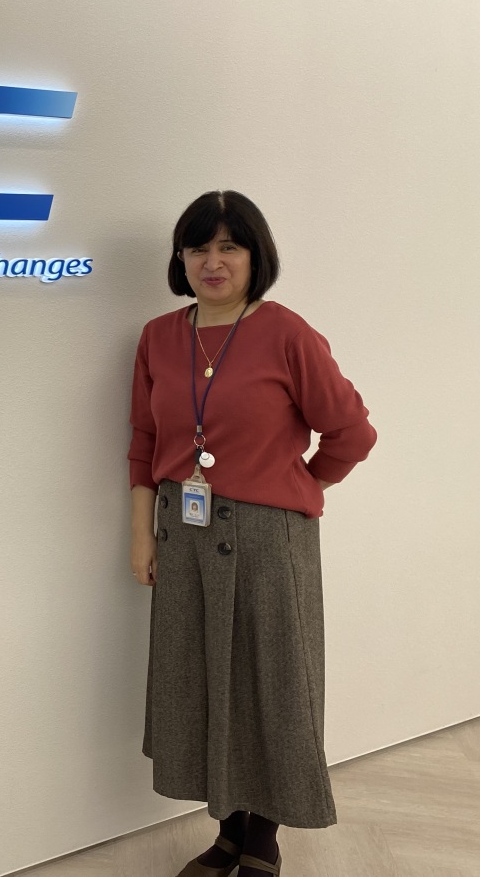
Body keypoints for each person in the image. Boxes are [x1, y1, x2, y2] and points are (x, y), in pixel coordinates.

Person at [127, 191, 375, 877]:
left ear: (255, 255)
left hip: (270, 540)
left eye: (229, 247)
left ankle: (262, 840)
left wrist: (299, 487)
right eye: (198, 248)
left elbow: (352, 433)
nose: (213, 261)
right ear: (180, 258)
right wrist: (142, 536)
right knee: (200, 682)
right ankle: (228, 834)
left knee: (272, 686)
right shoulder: (158, 336)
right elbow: (144, 441)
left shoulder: (286, 332)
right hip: (184, 533)